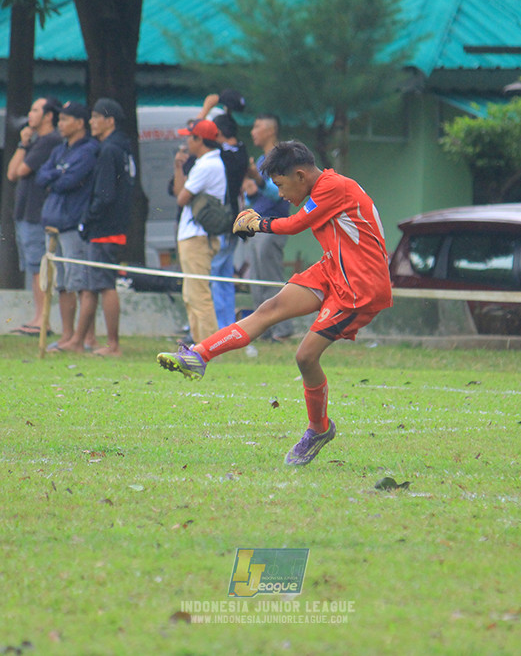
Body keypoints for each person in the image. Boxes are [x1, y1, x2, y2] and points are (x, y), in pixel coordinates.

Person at [158, 141, 392, 466]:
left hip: (359, 285)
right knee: (268, 309)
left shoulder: (333, 187)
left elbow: (295, 225)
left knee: (305, 356)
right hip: (334, 269)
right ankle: (199, 355)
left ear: (299, 174)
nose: (281, 194)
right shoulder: (324, 187)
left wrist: (258, 222)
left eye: (281, 185)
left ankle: (318, 429)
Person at [72, 97, 137, 357]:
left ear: (109, 121)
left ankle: (113, 345)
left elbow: (105, 195)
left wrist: (87, 218)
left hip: (104, 227)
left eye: (96, 117)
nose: (91, 122)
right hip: (113, 225)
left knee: (105, 284)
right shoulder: (123, 147)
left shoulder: (110, 150)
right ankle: (79, 340)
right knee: (91, 285)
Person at [35, 101, 99, 353]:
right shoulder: (60, 149)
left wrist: (56, 177)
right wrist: (57, 176)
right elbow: (41, 176)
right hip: (53, 224)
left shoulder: (89, 150)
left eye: (64, 119)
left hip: (74, 224)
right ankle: (67, 335)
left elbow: (69, 181)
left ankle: (86, 338)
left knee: (79, 282)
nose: (59, 124)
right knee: (61, 284)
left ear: (79, 123)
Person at [6, 96, 63, 336]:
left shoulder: (49, 141)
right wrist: (24, 143)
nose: (30, 114)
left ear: (49, 116)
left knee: (40, 268)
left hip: (37, 214)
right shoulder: (37, 141)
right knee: (34, 266)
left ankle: (44, 320)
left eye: (35, 109)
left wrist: (25, 145)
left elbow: (20, 170)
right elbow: (11, 173)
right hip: (26, 213)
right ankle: (38, 317)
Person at [172, 118, 227, 343]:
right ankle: (198, 346)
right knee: (191, 296)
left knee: (199, 296)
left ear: (199, 140)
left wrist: (180, 169)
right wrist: (179, 167)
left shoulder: (207, 165)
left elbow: (181, 197)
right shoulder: (206, 163)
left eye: (190, 136)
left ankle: (211, 349)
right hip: (195, 236)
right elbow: (181, 194)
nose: (186, 141)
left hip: (197, 237)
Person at [242, 113, 293, 341]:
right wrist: (250, 191)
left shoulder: (281, 159)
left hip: (273, 225)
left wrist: (259, 181)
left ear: (270, 131)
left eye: (257, 126)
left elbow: (279, 194)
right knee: (256, 279)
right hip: (256, 225)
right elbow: (260, 197)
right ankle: (264, 331)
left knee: (270, 278)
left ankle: (282, 331)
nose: (253, 131)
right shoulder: (261, 160)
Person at [209, 113, 248, 329]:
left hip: (223, 221)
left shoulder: (223, 156)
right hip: (235, 220)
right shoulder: (242, 151)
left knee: (216, 273)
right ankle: (227, 325)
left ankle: (219, 324)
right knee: (224, 274)